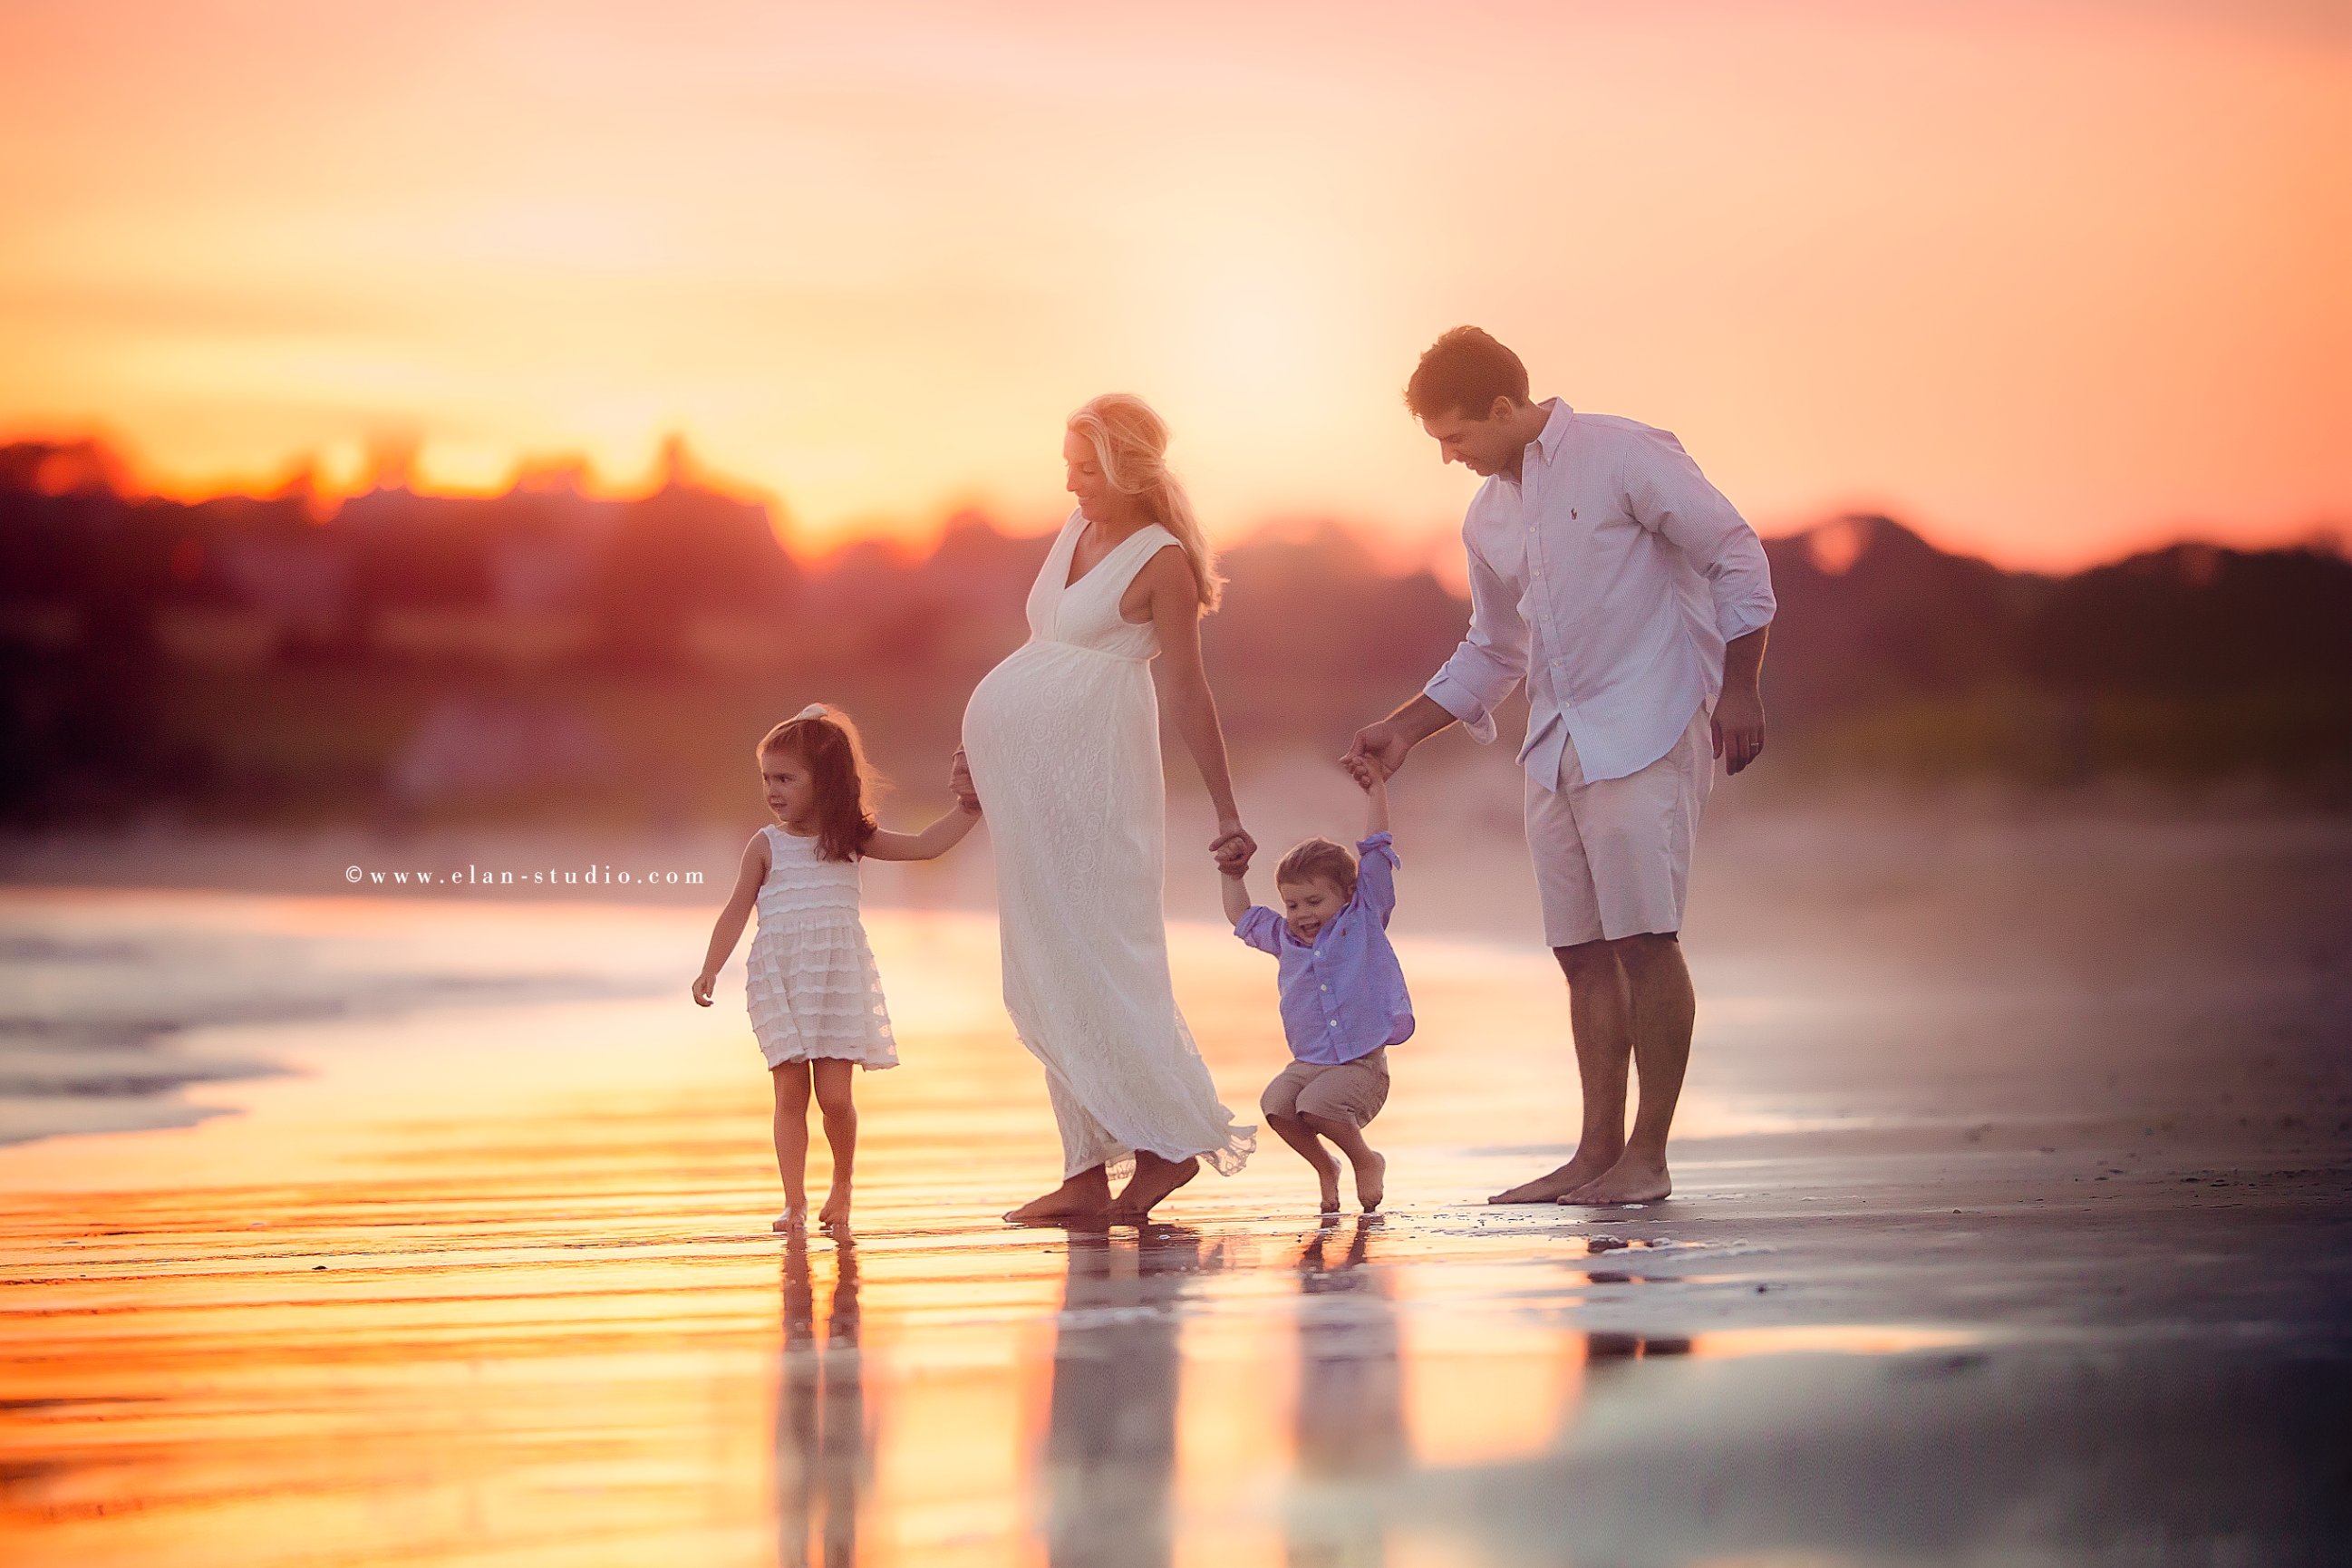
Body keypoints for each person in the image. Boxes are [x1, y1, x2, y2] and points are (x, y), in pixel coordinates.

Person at [1346, 327, 1776, 1207]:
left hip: (1649, 723)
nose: (1448, 457)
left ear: (1505, 408)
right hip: (1557, 740)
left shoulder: (1623, 453)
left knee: (1646, 939)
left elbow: (1736, 553)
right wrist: (1404, 728)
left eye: (1456, 436)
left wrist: (1742, 688)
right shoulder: (1487, 515)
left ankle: (1646, 1158)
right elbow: (1494, 647)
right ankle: (1593, 1154)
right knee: (1580, 952)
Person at [957, 392, 1256, 1224]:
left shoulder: (1163, 562)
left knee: (1104, 961)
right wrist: (980, 745)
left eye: (1086, 470)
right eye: (1067, 467)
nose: (1071, 485)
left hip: (1099, 786)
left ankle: (1164, 1146)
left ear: (1128, 469)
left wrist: (1226, 810)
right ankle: (1084, 1170)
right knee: (1046, 964)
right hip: (1036, 792)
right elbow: (1038, 653)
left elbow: (1188, 689)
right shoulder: (1074, 535)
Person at [693, 704, 982, 1231]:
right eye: (767, 778)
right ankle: (794, 1202)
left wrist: (970, 808)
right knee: (789, 1095)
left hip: (835, 980)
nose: (772, 790)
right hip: (777, 982)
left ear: (822, 781)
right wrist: (711, 967)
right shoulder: (766, 845)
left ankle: (842, 1186)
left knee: (833, 1098)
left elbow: (923, 847)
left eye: (786, 778)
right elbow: (737, 907)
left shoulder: (849, 837)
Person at [1221, 760, 1411, 1213]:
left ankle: (1365, 1159)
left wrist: (1377, 789)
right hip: (1308, 1062)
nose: (1302, 913)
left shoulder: (1363, 918)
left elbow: (1377, 849)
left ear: (1346, 894)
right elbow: (1240, 916)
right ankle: (1326, 1167)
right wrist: (1232, 875)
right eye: (1292, 904)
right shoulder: (1286, 940)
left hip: (1360, 1065)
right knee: (1278, 1105)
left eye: (1314, 901)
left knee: (1318, 1107)